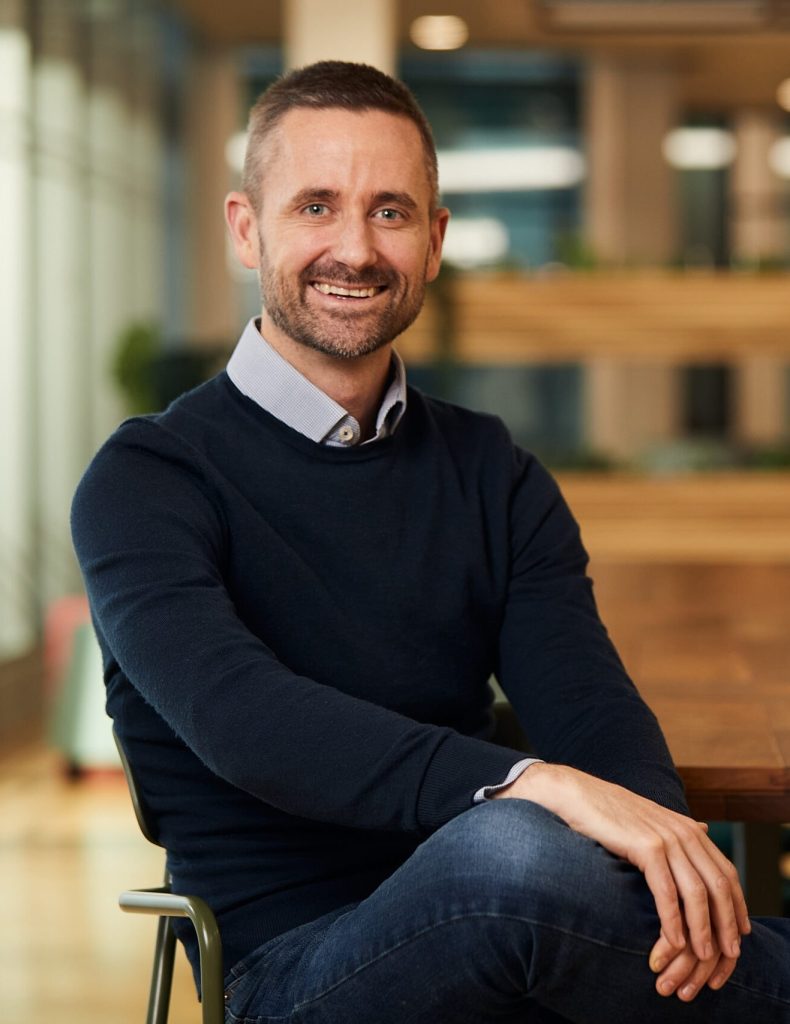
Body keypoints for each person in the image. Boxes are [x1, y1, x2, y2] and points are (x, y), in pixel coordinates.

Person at [71, 61, 790, 1023]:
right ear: (247, 228)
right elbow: (250, 723)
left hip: (532, 939)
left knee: (573, 862)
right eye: (317, 206)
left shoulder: (494, 471)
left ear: (436, 240)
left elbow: (590, 710)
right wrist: (529, 783)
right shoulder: (148, 479)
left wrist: (651, 830)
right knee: (515, 850)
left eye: (392, 212)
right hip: (293, 971)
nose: (355, 249)